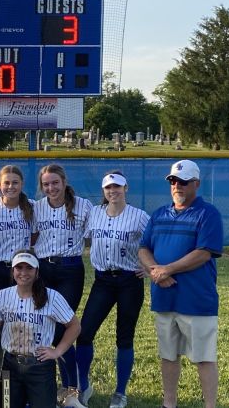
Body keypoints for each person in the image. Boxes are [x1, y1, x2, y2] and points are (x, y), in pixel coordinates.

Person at [138, 160, 223, 408]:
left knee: (203, 358)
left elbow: (204, 252)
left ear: (196, 183)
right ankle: (169, 403)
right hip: (164, 298)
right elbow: (143, 248)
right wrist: (156, 272)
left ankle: (210, 405)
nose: (177, 186)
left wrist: (168, 269)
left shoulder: (208, 213)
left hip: (196, 300)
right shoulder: (159, 214)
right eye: (173, 181)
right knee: (168, 355)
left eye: (183, 182)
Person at [75, 172, 150, 408]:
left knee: (124, 337)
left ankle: (120, 393)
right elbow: (86, 238)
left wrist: (151, 267)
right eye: (108, 188)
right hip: (103, 280)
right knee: (85, 332)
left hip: (129, 280)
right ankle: (84, 385)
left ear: (126, 188)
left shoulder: (138, 216)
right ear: (104, 191)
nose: (112, 191)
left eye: (117, 187)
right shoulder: (95, 213)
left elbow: (155, 240)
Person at [32, 163, 92, 408]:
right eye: (46, 184)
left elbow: (96, 233)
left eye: (55, 182)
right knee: (47, 326)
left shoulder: (83, 205)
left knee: (61, 327)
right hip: (43, 269)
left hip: (70, 269)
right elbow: (32, 237)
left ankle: (72, 390)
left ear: (64, 182)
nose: (51, 187)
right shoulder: (37, 208)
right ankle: (63, 386)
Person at [0, 251, 81, 408]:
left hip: (40, 367)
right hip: (10, 366)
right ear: (12, 271)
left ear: (37, 272)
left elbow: (75, 326)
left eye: (29, 268)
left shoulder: (52, 297)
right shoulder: (3, 296)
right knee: (6, 405)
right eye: (19, 268)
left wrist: (57, 352)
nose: (23, 273)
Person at [0, 165, 35, 292]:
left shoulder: (32, 206)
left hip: (22, 268)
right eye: (6, 183)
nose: (11, 186)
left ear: (22, 184)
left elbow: (35, 236)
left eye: (15, 183)